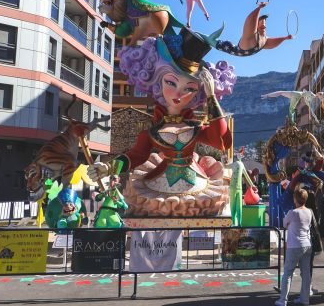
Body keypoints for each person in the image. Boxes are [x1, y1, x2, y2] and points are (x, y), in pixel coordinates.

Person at [88, 29, 235, 217]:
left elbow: (222, 142)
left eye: (189, 88)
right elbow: (137, 155)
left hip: (198, 187)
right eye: (171, 83)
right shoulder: (152, 131)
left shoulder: (196, 128)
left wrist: (211, 96)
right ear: (158, 81)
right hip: (158, 186)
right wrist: (108, 167)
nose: (179, 94)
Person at [276, 188, 313, 306]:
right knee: (306, 273)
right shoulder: (309, 212)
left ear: (295, 199)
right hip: (307, 244)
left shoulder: (293, 212)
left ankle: (283, 300)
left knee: (288, 273)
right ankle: (305, 299)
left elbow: (284, 224)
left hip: (294, 245)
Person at [214, 2, 293, 56]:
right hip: (233, 47)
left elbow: (273, 43)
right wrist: (259, 8)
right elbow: (251, 20)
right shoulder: (252, 35)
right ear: (257, 26)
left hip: (241, 48)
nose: (264, 26)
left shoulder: (264, 40)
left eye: (264, 25)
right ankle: (213, 41)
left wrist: (285, 38)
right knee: (216, 42)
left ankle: (214, 42)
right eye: (262, 25)